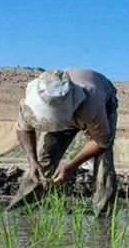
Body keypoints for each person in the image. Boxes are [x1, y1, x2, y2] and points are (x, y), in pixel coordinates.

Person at [10, 68, 118, 216]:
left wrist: (71, 165)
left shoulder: (91, 105)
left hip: (104, 104)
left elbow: (101, 142)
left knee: (103, 162)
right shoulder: (31, 100)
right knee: (42, 161)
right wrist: (32, 161)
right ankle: (21, 209)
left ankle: (103, 214)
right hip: (70, 108)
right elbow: (24, 129)